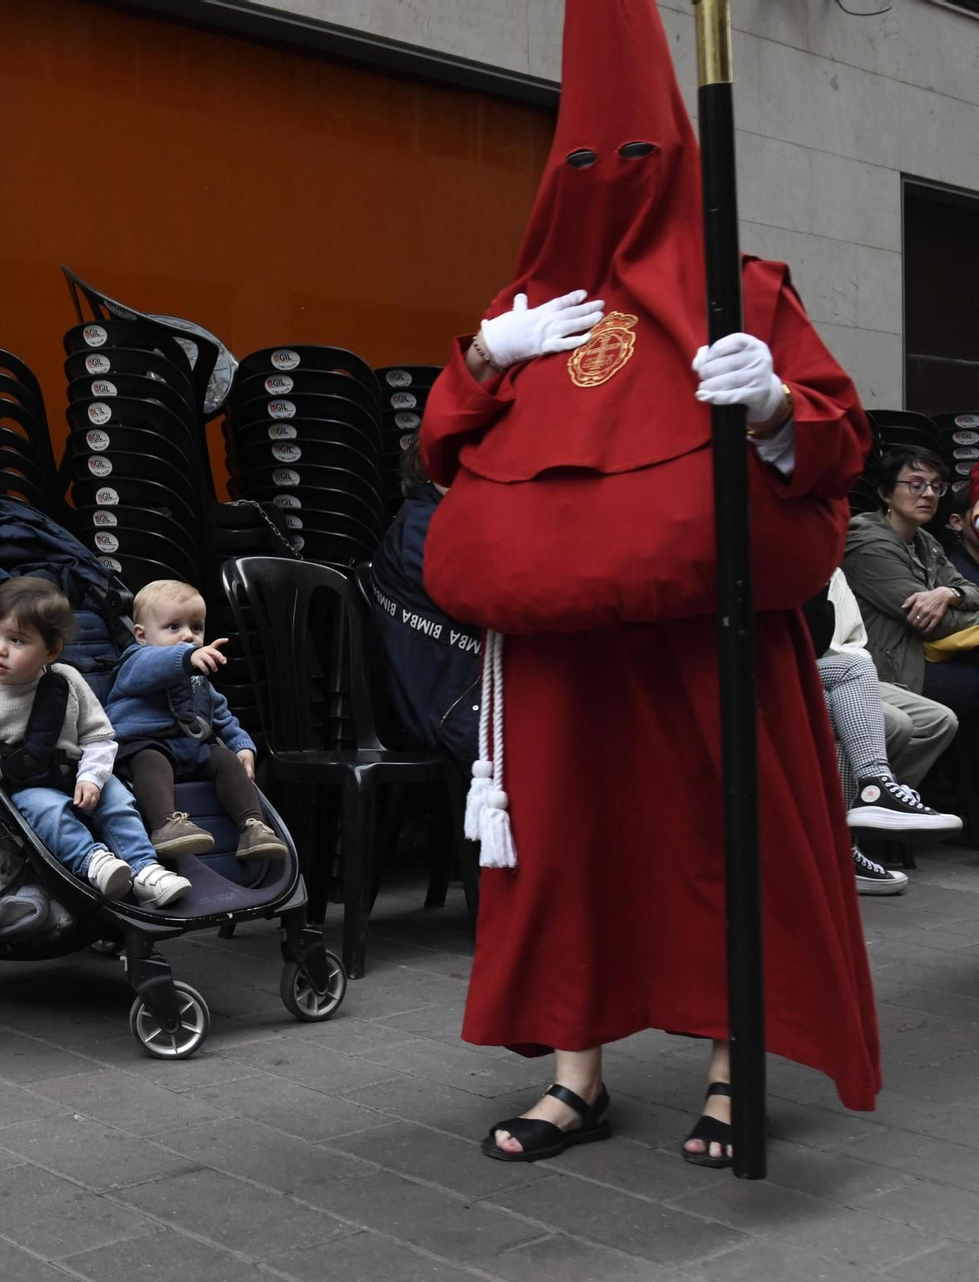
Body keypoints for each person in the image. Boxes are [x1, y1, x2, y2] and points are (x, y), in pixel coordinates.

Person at [420, 0, 878, 1170]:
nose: (606, 177)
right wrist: (483, 357)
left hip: (703, 637)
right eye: (580, 160)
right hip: (559, 649)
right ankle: (576, 1079)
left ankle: (734, 1067)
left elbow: (835, 438)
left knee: (720, 842)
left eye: (632, 157)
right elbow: (437, 448)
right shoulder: (523, 311)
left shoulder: (746, 292)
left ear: (675, 165)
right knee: (569, 845)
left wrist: (774, 403)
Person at [0, 578, 191, 908]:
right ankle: (93, 862)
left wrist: (91, 777)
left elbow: (98, 736)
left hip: (76, 772)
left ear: (51, 651)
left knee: (118, 801)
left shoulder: (68, 681)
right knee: (48, 810)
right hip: (24, 787)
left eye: (16, 640)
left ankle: (146, 870)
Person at [101, 578, 284, 860]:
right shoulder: (135, 661)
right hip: (142, 745)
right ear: (141, 634)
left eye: (196, 627)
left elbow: (221, 714)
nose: (188, 636)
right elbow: (152, 668)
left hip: (190, 747)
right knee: (152, 760)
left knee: (225, 759)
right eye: (173, 627)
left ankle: (252, 827)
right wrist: (187, 659)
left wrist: (242, 745)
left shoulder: (197, 677)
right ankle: (165, 825)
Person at [804, 569, 960, 896]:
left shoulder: (929, 548)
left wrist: (953, 594)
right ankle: (861, 810)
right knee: (892, 723)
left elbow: (966, 591)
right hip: (806, 668)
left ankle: (871, 807)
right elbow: (922, 616)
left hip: (844, 666)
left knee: (939, 719)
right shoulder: (865, 544)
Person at [364, 439, 481, 768]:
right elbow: (485, 605)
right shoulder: (425, 529)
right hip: (454, 709)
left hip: (456, 699)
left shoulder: (432, 521)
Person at [841, 447, 979, 723]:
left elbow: (972, 590)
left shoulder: (926, 541)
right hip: (892, 669)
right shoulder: (868, 546)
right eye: (916, 484)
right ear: (885, 493)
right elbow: (928, 620)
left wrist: (950, 593)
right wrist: (956, 600)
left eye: (935, 486)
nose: (928, 494)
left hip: (924, 657)